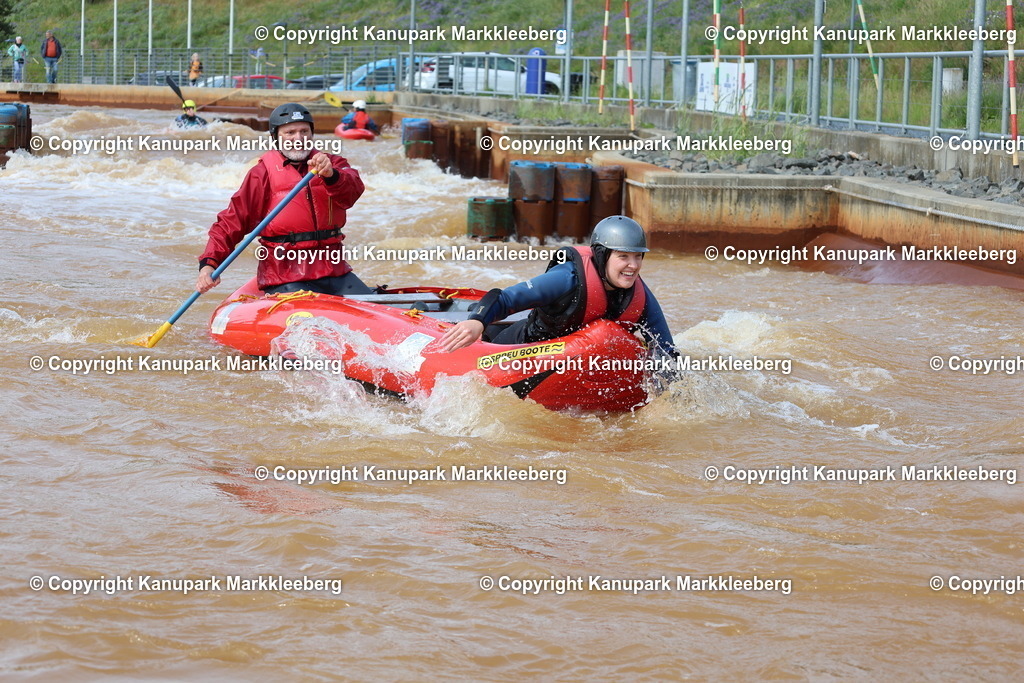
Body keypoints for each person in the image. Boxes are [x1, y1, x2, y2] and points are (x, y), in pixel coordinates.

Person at [196, 103, 370, 296]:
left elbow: (353, 191)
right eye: (290, 133)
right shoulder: (261, 174)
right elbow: (231, 222)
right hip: (285, 276)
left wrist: (331, 175)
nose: (298, 138)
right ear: (276, 137)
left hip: (334, 271)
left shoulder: (333, 163)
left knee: (373, 313)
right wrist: (209, 264)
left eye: (304, 131)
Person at [438, 216, 676, 357]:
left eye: (638, 257)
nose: (633, 266)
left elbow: (667, 349)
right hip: (524, 347)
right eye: (623, 257)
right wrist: (477, 320)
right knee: (492, 334)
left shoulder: (640, 297)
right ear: (603, 255)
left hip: (580, 362)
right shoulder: (567, 278)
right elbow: (504, 298)